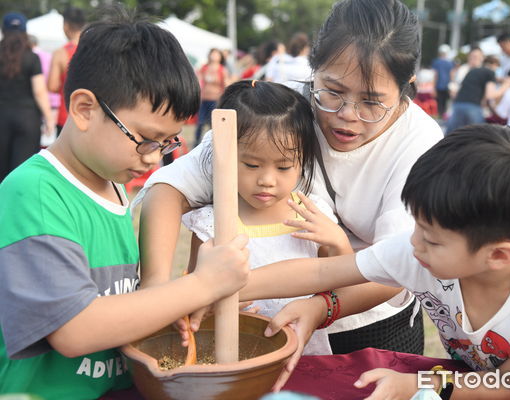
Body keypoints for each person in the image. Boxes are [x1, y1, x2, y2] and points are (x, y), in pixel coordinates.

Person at [134, 0, 443, 359]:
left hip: (373, 325)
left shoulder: (418, 144)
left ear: (407, 87)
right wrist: (158, 291)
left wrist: (315, 306)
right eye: (332, 91)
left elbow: (395, 266)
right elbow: (170, 189)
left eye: (372, 102)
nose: (346, 116)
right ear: (313, 69)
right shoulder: (282, 111)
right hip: (269, 320)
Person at [241, 124, 510, 397]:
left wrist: (417, 385)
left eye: (430, 238)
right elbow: (322, 271)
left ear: (498, 255)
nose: (413, 244)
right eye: (417, 226)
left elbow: (509, 387)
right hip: (475, 380)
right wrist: (224, 286)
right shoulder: (426, 249)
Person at [0, 15, 249, 399]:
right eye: (147, 139)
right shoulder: (33, 193)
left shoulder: (111, 183)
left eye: (167, 143)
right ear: (84, 109)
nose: (154, 160)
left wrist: (160, 305)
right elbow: (74, 329)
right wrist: (200, 285)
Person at [180, 80, 350, 355]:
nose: (267, 180)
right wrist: (212, 307)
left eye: (283, 166)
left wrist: (339, 243)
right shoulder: (211, 225)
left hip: (306, 358)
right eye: (251, 165)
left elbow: (342, 288)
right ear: (223, 156)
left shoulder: (312, 214)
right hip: (237, 359)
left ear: (303, 160)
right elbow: (194, 297)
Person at [0, 12, 55, 182]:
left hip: (2, 117)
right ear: (25, 32)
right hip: (27, 119)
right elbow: (39, 91)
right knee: (22, 171)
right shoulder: (32, 58)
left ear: (3, 30)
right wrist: (48, 118)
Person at [445, 55, 508, 135]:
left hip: (458, 104)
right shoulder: (490, 72)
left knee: (452, 135)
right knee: (477, 135)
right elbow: (490, 95)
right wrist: (506, 86)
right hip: (473, 106)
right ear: (494, 65)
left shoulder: (473, 71)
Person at [48, 6, 86, 135]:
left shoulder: (60, 53)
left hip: (67, 115)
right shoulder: (95, 50)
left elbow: (52, 86)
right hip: (90, 116)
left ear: (66, 25)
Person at [195, 48, 230, 145]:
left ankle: (214, 143)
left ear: (220, 57)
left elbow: (226, 84)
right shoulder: (204, 68)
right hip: (204, 99)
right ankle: (196, 142)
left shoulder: (222, 70)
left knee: (213, 124)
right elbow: (199, 81)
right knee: (200, 123)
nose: (214, 56)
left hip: (215, 100)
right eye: (213, 54)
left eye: (216, 54)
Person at [431, 44, 454, 118]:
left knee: (438, 101)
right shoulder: (450, 63)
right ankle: (444, 115)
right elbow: (451, 75)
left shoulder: (436, 62)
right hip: (447, 85)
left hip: (438, 85)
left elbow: (435, 75)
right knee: (445, 102)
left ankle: (439, 115)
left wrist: (433, 87)